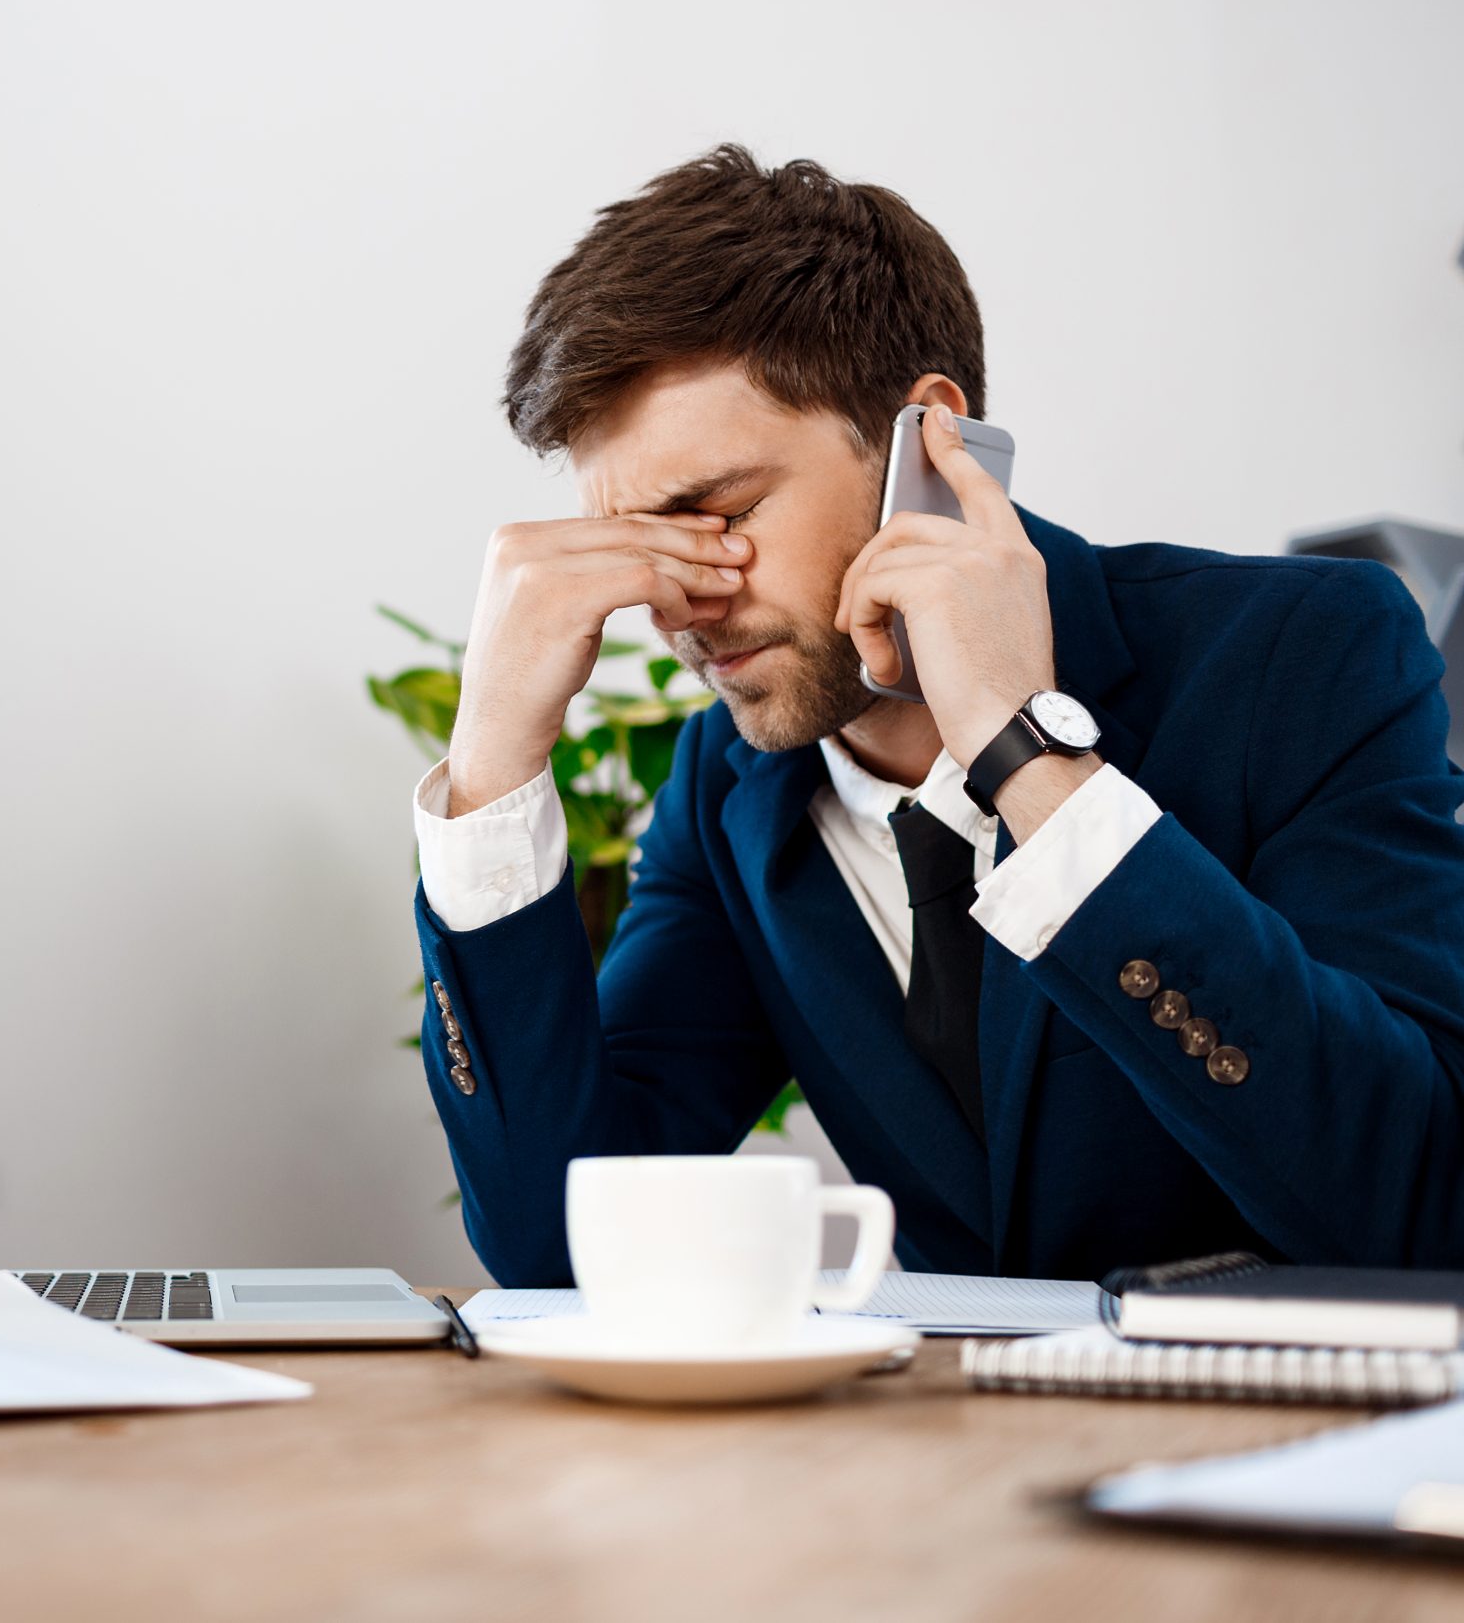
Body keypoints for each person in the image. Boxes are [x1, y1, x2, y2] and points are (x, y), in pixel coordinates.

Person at [415, 145, 1464, 1285]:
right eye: (631, 543)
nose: (674, 599)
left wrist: (1025, 749)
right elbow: (559, 1250)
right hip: (944, 1453)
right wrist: (489, 769)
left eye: (712, 515)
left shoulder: (1297, 656)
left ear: (927, 442)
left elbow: (1421, 1203)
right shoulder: (729, 789)